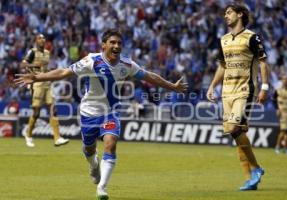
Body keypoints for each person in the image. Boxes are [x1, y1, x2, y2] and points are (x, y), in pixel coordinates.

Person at [15, 29, 188, 200]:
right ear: (103, 45)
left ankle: (102, 188)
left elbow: (149, 76)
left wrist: (172, 86)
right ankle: (93, 165)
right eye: (112, 42)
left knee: (110, 143)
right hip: (88, 113)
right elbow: (64, 72)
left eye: (119, 43)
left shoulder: (127, 65)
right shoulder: (92, 61)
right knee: (89, 149)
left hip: (110, 113)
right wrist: (38, 78)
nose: (116, 46)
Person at [206, 3, 269, 191]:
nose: (225, 16)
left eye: (229, 12)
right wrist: (212, 86)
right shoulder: (223, 40)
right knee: (236, 134)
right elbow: (222, 66)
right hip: (227, 92)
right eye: (225, 13)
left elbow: (264, 62)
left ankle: (257, 169)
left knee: (234, 129)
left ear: (240, 14)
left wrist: (265, 87)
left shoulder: (252, 37)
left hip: (245, 89)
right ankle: (250, 179)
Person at [20, 34, 69, 147]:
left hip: (47, 83)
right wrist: (33, 64)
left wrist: (51, 73)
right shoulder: (32, 52)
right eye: (40, 38)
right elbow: (23, 64)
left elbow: (45, 69)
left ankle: (57, 138)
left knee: (53, 108)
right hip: (37, 84)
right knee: (36, 113)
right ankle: (28, 134)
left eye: (43, 38)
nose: (42, 40)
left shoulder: (47, 53)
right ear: (36, 41)